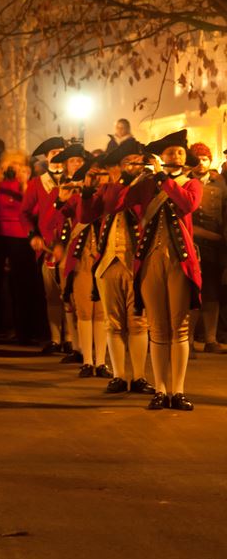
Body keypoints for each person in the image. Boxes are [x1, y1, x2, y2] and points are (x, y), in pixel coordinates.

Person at [125, 130, 202, 410]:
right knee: (157, 327)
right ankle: (160, 389)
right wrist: (137, 174)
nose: (176, 156)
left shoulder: (191, 183)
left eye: (180, 152)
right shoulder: (150, 183)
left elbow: (187, 204)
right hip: (150, 260)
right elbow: (124, 202)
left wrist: (163, 179)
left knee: (179, 327)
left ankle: (177, 391)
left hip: (179, 261)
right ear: (161, 156)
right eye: (171, 152)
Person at [81, 141, 154, 394]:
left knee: (138, 321)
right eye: (129, 161)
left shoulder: (148, 186)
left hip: (137, 262)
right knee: (113, 322)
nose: (135, 165)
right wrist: (87, 192)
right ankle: (121, 375)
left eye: (138, 160)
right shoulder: (110, 188)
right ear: (120, 166)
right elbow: (87, 216)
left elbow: (133, 205)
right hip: (108, 262)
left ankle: (140, 376)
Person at [53, 150, 111, 379]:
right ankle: (87, 360)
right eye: (92, 174)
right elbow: (57, 218)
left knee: (102, 313)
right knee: (85, 312)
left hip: (105, 256)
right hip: (83, 257)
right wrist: (60, 198)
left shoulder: (114, 195)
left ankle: (101, 362)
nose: (97, 178)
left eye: (101, 174)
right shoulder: (78, 197)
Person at [0, 151, 39, 342]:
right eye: (10, 164)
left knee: (21, 284)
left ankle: (24, 331)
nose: (13, 168)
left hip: (20, 236)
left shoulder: (28, 184)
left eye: (17, 164)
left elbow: (32, 210)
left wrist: (24, 185)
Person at [22, 137, 72, 355]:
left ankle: (71, 338)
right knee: (51, 295)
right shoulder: (37, 183)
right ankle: (55, 338)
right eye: (53, 152)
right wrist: (33, 235)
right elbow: (24, 213)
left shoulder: (75, 180)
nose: (58, 156)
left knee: (70, 294)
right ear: (47, 157)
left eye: (61, 151)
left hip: (73, 244)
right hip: (48, 245)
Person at [188, 142, 227, 353]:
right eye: (197, 159)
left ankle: (211, 339)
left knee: (212, 294)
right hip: (192, 244)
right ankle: (189, 340)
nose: (201, 163)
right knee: (193, 294)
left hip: (215, 248)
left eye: (204, 159)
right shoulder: (185, 182)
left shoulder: (219, 184)